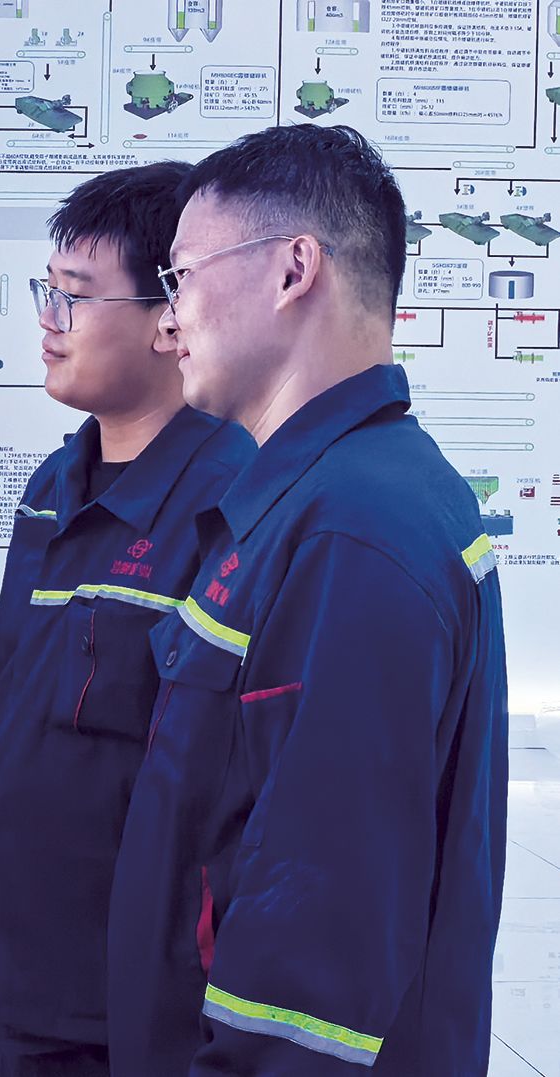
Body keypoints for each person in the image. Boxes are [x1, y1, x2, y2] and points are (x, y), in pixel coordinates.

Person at [108, 124, 507, 1074]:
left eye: (182, 277)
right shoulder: (324, 499)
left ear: (294, 269)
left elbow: (320, 926)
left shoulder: (352, 533)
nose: (170, 319)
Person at [0, 162, 254, 1077]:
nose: (48, 321)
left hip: (152, 1001)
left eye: (76, 297)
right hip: (35, 975)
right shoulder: (52, 487)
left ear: (171, 316)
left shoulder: (231, 504)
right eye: (46, 292)